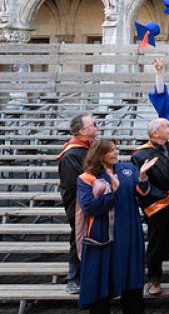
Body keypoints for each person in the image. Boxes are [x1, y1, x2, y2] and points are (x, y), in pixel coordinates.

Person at [76, 138, 156, 314]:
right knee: (100, 280)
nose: (116, 152)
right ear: (100, 155)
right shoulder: (87, 177)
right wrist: (113, 191)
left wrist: (143, 177)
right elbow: (88, 207)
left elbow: (143, 193)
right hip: (102, 235)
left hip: (129, 230)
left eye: (116, 149)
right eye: (111, 150)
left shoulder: (128, 169)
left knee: (131, 278)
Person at [130, 118, 169, 296]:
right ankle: (154, 279)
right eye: (167, 126)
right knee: (157, 243)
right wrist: (167, 195)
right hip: (158, 206)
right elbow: (139, 185)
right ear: (155, 132)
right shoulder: (140, 155)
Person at [58, 113, 100, 294]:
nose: (98, 127)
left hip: (94, 201)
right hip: (79, 203)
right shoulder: (71, 154)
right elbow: (74, 183)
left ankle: (90, 275)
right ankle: (74, 278)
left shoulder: (90, 148)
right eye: (94, 124)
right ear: (82, 131)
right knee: (79, 237)